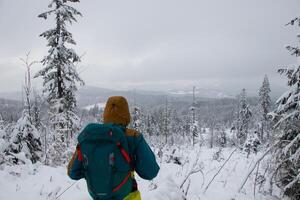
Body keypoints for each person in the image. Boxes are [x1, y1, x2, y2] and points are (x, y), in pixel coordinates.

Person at [67, 96, 160, 200]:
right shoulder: (133, 137)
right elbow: (150, 172)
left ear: (106, 114)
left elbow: (72, 173)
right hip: (127, 196)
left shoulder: (90, 137)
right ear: (126, 115)